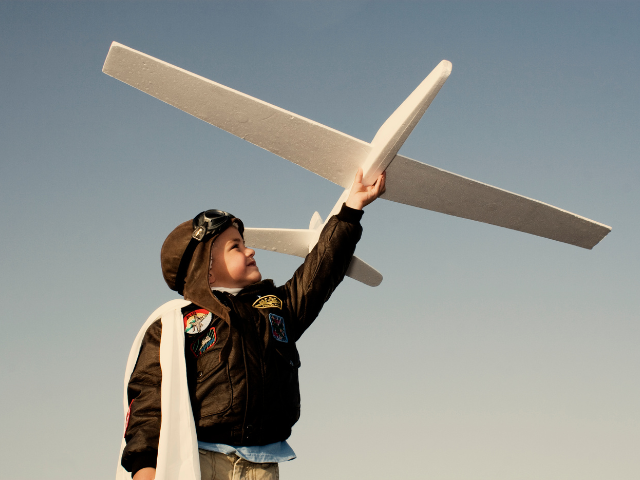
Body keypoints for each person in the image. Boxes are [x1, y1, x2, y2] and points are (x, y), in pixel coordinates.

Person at [118, 168, 385, 480]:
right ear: (206, 268)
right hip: (200, 459)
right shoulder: (174, 324)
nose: (250, 250)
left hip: (261, 464)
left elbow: (319, 273)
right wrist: (145, 468)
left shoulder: (275, 309)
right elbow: (149, 397)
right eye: (236, 246)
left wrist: (351, 210)